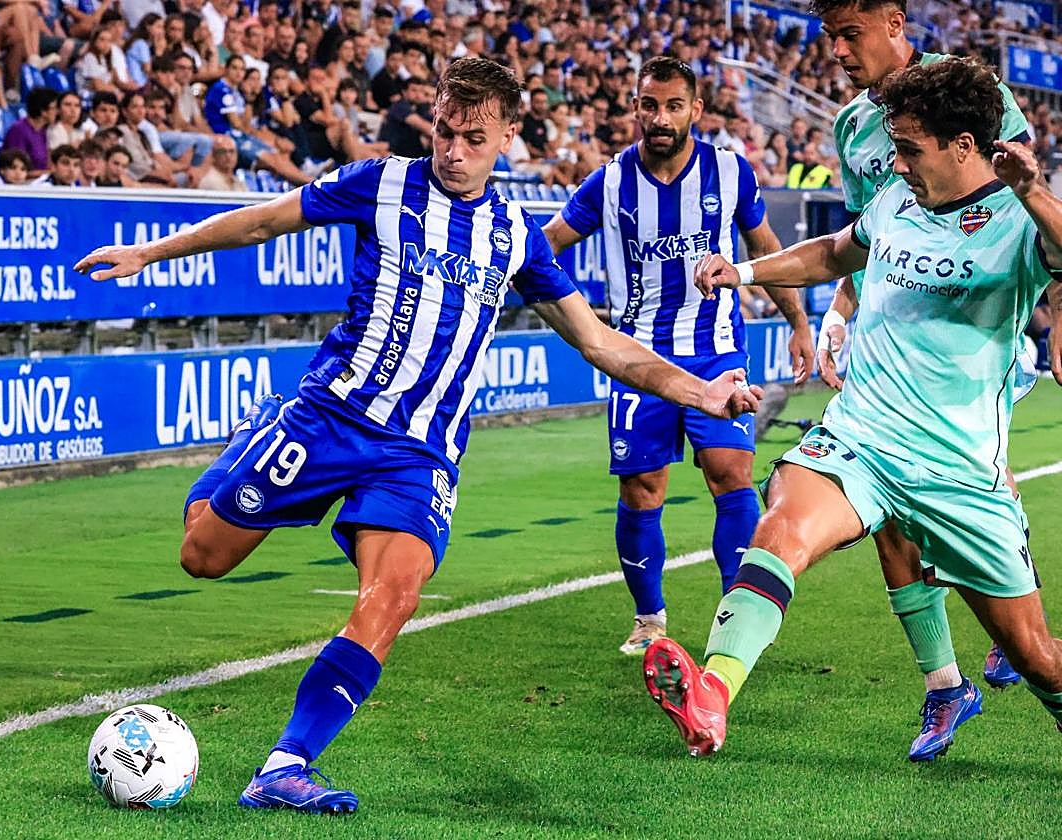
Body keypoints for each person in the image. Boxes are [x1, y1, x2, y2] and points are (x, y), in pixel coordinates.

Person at [75, 56, 763, 815]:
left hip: (419, 453)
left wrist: (704, 391)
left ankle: (284, 764)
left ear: (507, 134)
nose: (453, 150)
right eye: (443, 131)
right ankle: (256, 432)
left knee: (395, 594)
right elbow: (267, 219)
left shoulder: (518, 237)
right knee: (201, 555)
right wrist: (151, 252)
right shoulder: (383, 181)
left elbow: (601, 343)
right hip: (331, 417)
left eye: (472, 137)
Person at [643, 57, 1062, 759]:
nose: (893, 163)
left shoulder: (1018, 223)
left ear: (964, 147)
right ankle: (713, 693)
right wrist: (742, 271)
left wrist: (1035, 190)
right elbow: (836, 252)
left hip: (958, 470)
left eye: (908, 149)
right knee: (782, 527)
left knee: (1038, 658)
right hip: (861, 440)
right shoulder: (896, 199)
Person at [811, 0, 1054, 761]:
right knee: (886, 510)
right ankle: (947, 684)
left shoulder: (969, 96)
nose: (840, 51)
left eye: (850, 33)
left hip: (975, 334)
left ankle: (1009, 619)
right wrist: (838, 313)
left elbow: (1022, 213)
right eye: (830, 38)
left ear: (892, 21)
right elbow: (868, 237)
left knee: (962, 477)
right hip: (897, 325)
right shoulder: (855, 127)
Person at [543, 57, 814, 656]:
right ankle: (649, 619)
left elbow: (764, 248)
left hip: (717, 350)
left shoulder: (729, 172)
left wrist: (798, 320)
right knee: (642, 489)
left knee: (731, 474)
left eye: (672, 106)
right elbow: (546, 245)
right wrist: (569, 307)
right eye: (649, 105)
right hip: (636, 357)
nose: (659, 118)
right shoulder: (609, 182)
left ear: (695, 109)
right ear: (635, 108)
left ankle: (736, 617)